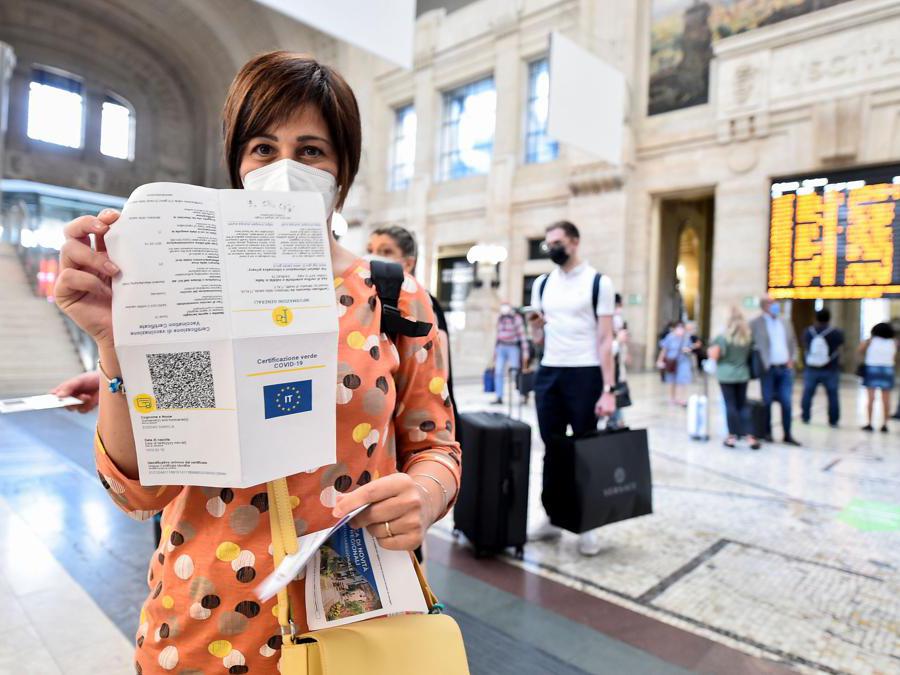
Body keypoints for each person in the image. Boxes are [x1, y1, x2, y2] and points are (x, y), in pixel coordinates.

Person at [53, 51, 461, 674]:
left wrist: (426, 496)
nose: (285, 168)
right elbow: (142, 491)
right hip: (204, 626)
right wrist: (117, 346)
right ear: (238, 164)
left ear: (342, 168)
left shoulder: (393, 293)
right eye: (264, 148)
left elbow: (437, 445)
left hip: (358, 624)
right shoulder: (186, 286)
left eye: (312, 150)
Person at [526, 220, 617, 557]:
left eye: (558, 242)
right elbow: (539, 338)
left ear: (575, 242)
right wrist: (535, 329)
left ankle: (587, 522)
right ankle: (551, 515)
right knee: (553, 447)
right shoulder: (542, 284)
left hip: (586, 372)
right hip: (550, 371)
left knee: (584, 449)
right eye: (548, 243)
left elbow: (605, 339)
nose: (552, 248)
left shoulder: (598, 283)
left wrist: (609, 389)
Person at [366, 224, 456, 418]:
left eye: (386, 251)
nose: (373, 257)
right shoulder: (369, 299)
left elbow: (437, 373)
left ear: (408, 263)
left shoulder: (421, 302)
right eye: (370, 250)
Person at [750, 295, 801, 446]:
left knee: (786, 402)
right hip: (768, 369)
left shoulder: (785, 322)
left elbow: (793, 342)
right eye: (772, 303)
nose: (775, 305)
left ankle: (787, 434)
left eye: (776, 302)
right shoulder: (755, 323)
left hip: (785, 368)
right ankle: (767, 433)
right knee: (767, 401)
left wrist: (793, 359)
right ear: (764, 305)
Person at [708, 307, 760, 450]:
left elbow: (714, 356)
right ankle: (750, 436)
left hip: (726, 375)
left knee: (730, 405)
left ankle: (731, 437)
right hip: (743, 374)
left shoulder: (723, 337)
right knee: (742, 404)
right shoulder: (747, 337)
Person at [800, 308, 844, 427]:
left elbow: (805, 346)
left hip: (812, 368)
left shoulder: (808, 332)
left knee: (808, 393)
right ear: (829, 318)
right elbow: (840, 347)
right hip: (830, 368)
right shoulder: (836, 332)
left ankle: (805, 416)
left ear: (815, 318)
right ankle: (833, 420)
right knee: (832, 394)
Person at [858, 322, 896, 433]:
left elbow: (859, 350)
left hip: (872, 369)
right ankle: (885, 424)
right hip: (887, 369)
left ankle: (869, 423)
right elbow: (893, 356)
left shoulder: (870, 341)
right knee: (886, 399)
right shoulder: (892, 343)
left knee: (871, 399)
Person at [491, 301, 528, 404]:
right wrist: (495, 352)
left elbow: (522, 336)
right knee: (498, 372)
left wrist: (525, 353)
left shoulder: (516, 319)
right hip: (501, 347)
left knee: (515, 372)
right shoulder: (500, 318)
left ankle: (522, 395)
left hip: (513, 348)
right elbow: (497, 336)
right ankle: (499, 397)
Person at [656, 321, 694, 406]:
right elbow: (664, 350)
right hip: (671, 361)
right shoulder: (670, 337)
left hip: (683, 361)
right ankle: (672, 398)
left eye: (682, 328)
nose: (680, 330)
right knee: (671, 380)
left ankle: (680, 398)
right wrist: (660, 360)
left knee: (682, 380)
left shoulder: (686, 338)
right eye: (679, 328)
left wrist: (687, 350)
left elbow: (690, 348)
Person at [608, 293, 629, 430]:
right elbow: (605, 350)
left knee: (617, 400)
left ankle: (617, 422)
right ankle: (616, 422)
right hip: (608, 373)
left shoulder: (617, 321)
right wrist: (618, 342)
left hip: (616, 371)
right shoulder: (606, 321)